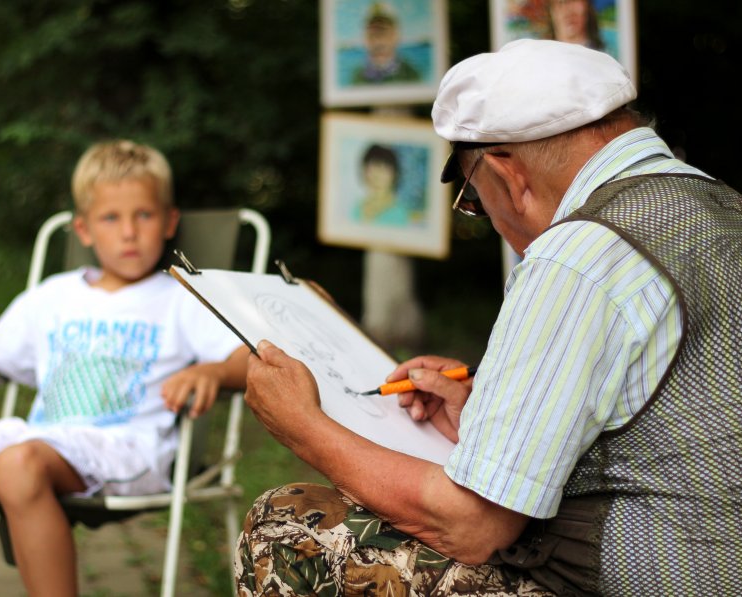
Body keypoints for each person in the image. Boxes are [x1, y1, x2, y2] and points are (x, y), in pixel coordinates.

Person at [236, 39, 742, 596]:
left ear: (507, 174)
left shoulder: (576, 256)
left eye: (474, 201)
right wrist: (492, 415)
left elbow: (471, 524)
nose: (493, 222)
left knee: (287, 523)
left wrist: (304, 427)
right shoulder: (720, 205)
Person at [0, 139, 250, 597]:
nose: (128, 233)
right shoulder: (55, 294)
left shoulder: (182, 298)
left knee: (17, 464)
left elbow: (249, 358)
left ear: (170, 222)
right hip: (42, 437)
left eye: (143, 215)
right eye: (110, 218)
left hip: (126, 446)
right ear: (82, 229)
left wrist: (214, 373)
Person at [352, 2, 421, 85]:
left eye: (383, 32)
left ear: (395, 36)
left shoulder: (412, 75)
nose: (378, 41)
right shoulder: (356, 76)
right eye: (372, 34)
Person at [354, 143, 410, 225]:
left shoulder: (399, 213)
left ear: (394, 174)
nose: (377, 174)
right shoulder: (357, 209)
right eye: (374, 167)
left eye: (384, 169)